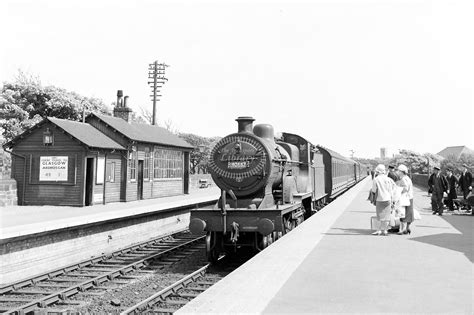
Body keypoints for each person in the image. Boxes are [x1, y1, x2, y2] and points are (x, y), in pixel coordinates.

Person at [371, 164, 396, 236]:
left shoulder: (376, 179)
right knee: (387, 216)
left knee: (379, 215)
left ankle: (379, 230)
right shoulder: (388, 179)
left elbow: (374, 190)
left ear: (377, 171)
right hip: (388, 199)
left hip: (379, 199)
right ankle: (385, 230)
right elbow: (392, 189)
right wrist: (392, 199)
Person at [396, 164, 414, 234]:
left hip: (405, 198)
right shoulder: (407, 178)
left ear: (401, 171)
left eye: (398, 170)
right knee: (409, 213)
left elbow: (405, 188)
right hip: (409, 197)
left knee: (403, 213)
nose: (397, 172)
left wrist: (398, 191)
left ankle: (403, 229)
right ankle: (407, 228)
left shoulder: (403, 179)